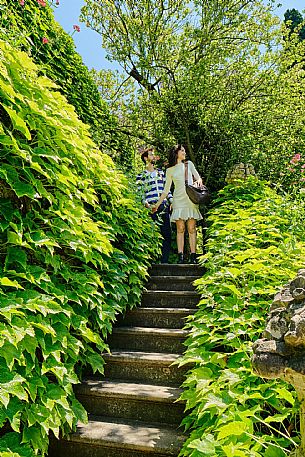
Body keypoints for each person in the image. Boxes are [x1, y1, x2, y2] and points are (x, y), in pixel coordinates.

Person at [152, 144, 203, 264]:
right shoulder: (169, 170)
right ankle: (180, 256)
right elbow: (166, 190)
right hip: (178, 200)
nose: (185, 153)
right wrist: (157, 205)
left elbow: (198, 178)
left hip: (190, 199)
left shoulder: (189, 164)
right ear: (176, 153)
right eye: (182, 151)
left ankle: (193, 256)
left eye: (185, 151)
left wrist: (197, 184)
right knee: (180, 228)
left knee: (191, 228)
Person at [136, 147, 173, 264]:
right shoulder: (140, 176)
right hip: (150, 208)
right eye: (151, 155)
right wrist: (146, 204)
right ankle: (151, 261)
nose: (153, 157)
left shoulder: (161, 173)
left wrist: (171, 201)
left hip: (163, 205)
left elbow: (167, 190)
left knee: (166, 233)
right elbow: (140, 193)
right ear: (145, 158)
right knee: (151, 234)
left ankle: (164, 261)